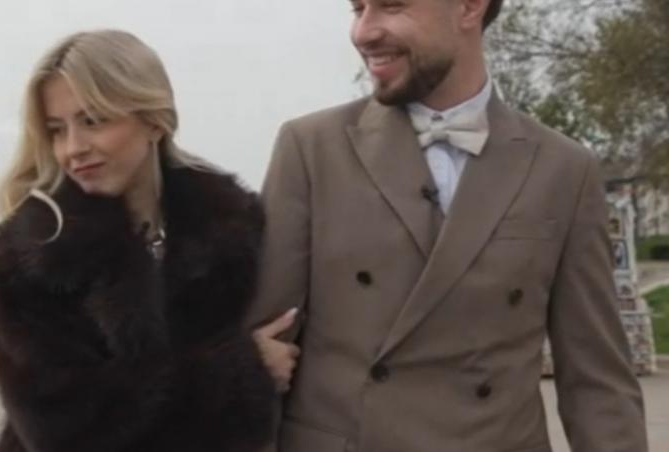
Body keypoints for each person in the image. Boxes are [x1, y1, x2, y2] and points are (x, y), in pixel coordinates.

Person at [249, 1, 649, 451]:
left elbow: (598, 382)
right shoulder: (310, 150)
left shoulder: (565, 169)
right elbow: (258, 360)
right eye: (358, 9)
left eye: (392, 6)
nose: (364, 32)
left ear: (469, 8)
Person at [0, 29, 274, 452]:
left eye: (93, 121)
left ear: (153, 120)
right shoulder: (32, 255)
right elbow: (67, 431)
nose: (73, 149)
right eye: (57, 130)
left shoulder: (232, 225)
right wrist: (246, 371)